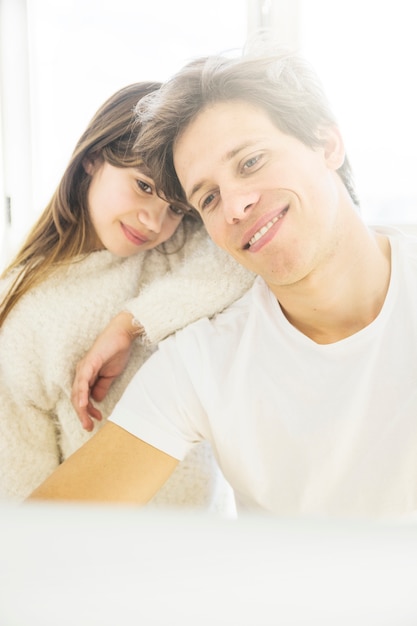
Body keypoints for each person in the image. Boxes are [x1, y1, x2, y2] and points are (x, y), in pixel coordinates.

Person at [28, 48, 417, 520]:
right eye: (208, 198)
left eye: (251, 162)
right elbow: (39, 536)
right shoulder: (202, 363)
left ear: (327, 144)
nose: (234, 206)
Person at [0, 81, 253, 508]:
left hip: (203, 538)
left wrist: (129, 324)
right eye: (144, 186)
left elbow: (242, 257)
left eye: (176, 207)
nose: (154, 221)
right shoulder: (24, 307)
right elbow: (21, 485)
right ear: (93, 159)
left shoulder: (176, 249)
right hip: (97, 552)